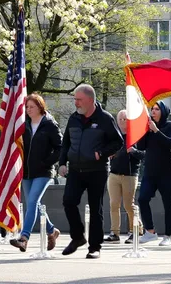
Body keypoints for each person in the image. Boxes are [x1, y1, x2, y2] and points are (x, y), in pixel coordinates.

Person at [58, 84, 123, 259]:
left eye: (79, 100)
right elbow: (65, 144)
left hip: (97, 171)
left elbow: (118, 142)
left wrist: (101, 153)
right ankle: (78, 237)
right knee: (69, 201)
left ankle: (95, 247)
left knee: (96, 209)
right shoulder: (73, 118)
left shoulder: (105, 119)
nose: (76, 103)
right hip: (76, 170)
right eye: (75, 99)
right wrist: (62, 163)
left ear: (90, 100)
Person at [10, 94, 62, 252]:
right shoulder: (24, 125)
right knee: (35, 204)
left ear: (40, 107)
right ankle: (52, 231)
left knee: (32, 202)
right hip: (26, 172)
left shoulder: (50, 125)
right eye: (27, 107)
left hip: (44, 172)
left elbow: (60, 147)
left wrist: (46, 162)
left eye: (32, 107)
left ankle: (24, 237)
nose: (28, 110)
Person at [138, 101, 171, 246]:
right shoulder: (148, 127)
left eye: (156, 109)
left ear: (163, 111)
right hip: (150, 171)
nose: (153, 112)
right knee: (142, 199)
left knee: (168, 203)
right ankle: (150, 231)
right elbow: (140, 146)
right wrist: (144, 131)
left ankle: (168, 235)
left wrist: (156, 130)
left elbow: (170, 142)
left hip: (167, 172)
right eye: (152, 109)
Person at [104, 110, 144, 244]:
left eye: (125, 119)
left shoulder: (136, 136)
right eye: (120, 119)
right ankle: (114, 233)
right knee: (114, 203)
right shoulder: (114, 136)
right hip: (114, 174)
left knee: (129, 205)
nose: (122, 121)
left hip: (130, 175)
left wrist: (133, 151)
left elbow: (143, 155)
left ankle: (136, 231)